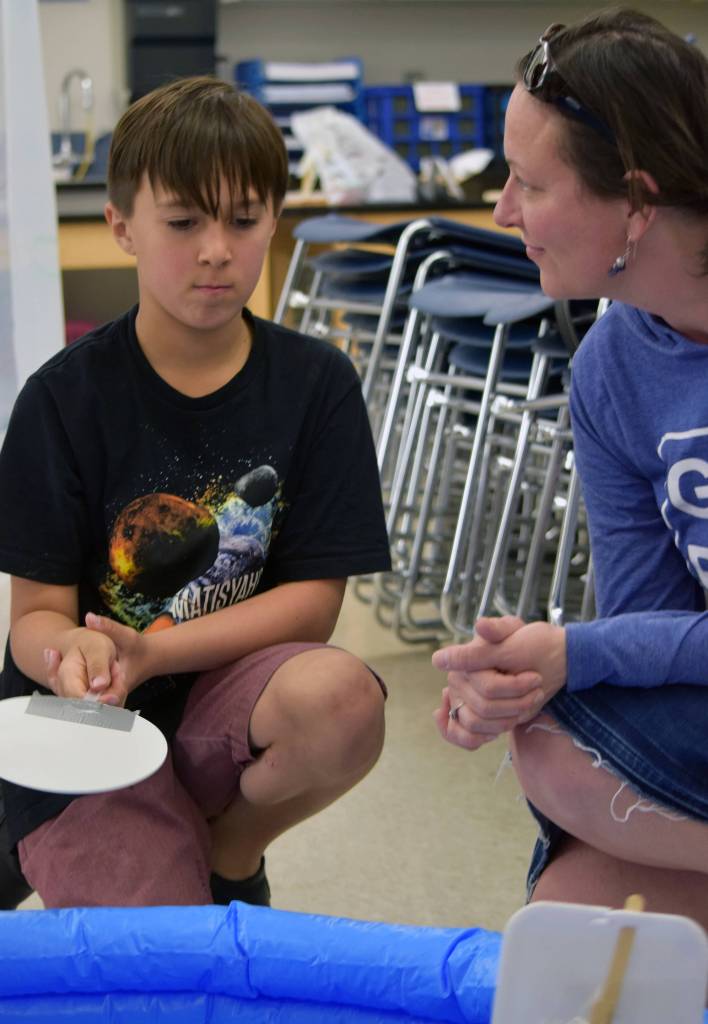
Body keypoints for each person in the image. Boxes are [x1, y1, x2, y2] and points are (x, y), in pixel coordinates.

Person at [0, 76, 391, 909]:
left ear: (272, 222)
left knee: (344, 700)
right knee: (166, 947)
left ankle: (227, 848)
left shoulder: (317, 384)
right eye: (183, 222)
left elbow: (314, 606)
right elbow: (33, 616)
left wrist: (155, 653)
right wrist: (74, 654)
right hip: (81, 725)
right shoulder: (60, 400)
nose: (217, 249)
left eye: (243, 219)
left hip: (219, 698)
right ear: (122, 228)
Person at [433, 8, 708, 929]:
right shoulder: (612, 366)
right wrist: (524, 672)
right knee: (571, 909)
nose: (502, 212)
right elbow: (656, 623)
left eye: (527, 183)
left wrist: (575, 654)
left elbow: (617, 644)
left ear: (635, 200)